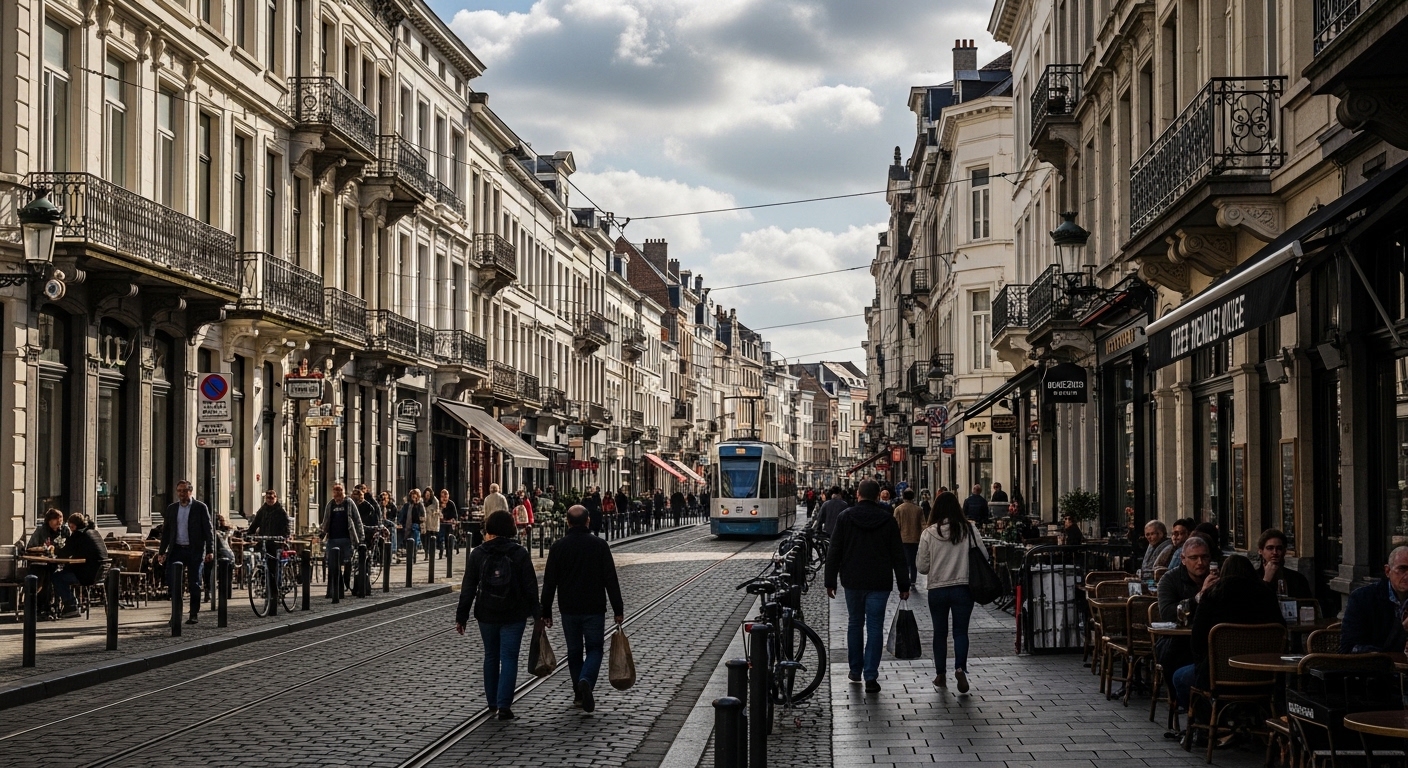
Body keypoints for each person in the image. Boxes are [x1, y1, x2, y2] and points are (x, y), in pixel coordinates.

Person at [823, 479, 910, 693]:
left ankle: (855, 670)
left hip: (852, 580)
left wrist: (830, 580)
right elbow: (898, 554)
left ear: (859, 495)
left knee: (854, 623)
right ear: (878, 495)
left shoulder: (845, 518)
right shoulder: (887, 520)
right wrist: (903, 584)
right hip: (879, 581)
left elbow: (834, 551)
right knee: (874, 627)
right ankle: (871, 675)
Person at [455, 510, 540, 721]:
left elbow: (468, 588)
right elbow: (531, 587)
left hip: (487, 613)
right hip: (514, 614)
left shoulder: (478, 553)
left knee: (491, 656)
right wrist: (538, 615)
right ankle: (504, 706)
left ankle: (492, 702)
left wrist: (461, 616)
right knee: (509, 657)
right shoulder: (519, 553)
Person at [540, 505, 625, 713]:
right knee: (595, 649)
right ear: (588, 521)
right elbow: (610, 579)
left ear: (567, 522)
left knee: (574, 651)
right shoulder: (600, 545)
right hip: (594, 607)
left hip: (568, 608)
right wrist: (618, 608)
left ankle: (579, 693)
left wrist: (545, 611)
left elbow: (549, 582)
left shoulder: (558, 547)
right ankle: (586, 680)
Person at [1176, 555, 1282, 715]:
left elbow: (1197, 641)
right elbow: (1281, 631)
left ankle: (1205, 723)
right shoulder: (1267, 596)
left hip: (1218, 676)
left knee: (1179, 677)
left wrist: (1203, 664)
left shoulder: (1212, 596)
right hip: (1263, 676)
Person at [916, 491, 986, 692]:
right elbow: (983, 555)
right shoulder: (969, 529)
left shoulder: (928, 533)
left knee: (940, 633)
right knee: (960, 631)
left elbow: (922, 567)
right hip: (963, 588)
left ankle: (940, 675)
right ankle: (960, 669)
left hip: (937, 589)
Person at [1155, 536, 1214, 680]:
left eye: (1204, 557)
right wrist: (1198, 598)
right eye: (1194, 558)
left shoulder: (1218, 578)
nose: (1200, 563)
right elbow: (1168, 613)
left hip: (1212, 640)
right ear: (1183, 559)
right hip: (1180, 642)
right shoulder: (1170, 579)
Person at [157, 480, 215, 625]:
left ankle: (193, 614)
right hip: (176, 549)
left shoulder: (200, 507)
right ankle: (176, 615)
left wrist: (210, 550)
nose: (181, 494)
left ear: (190, 491)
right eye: (179, 491)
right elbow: (167, 532)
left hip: (194, 550)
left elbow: (208, 530)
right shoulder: (172, 509)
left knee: (194, 583)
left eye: (184, 491)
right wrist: (162, 551)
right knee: (174, 582)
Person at [1340, 545, 1408, 654]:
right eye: (1402, 569)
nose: (1407, 575)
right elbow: (1348, 647)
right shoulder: (1363, 598)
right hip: (1374, 667)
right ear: (1387, 571)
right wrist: (1401, 628)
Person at [49, 513, 108, 618]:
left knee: (56, 577)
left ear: (75, 525)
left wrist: (53, 549)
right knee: (64, 573)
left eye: (71, 527)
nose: (71, 530)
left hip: (87, 575)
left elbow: (65, 552)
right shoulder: (94, 533)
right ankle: (71, 603)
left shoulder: (79, 535)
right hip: (100, 573)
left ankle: (71, 605)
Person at [321, 483, 364, 594]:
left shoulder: (349, 503)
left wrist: (360, 537)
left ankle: (346, 582)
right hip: (333, 539)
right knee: (333, 564)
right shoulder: (330, 505)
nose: (338, 493)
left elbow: (357, 520)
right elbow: (326, 521)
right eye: (335, 491)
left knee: (347, 562)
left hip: (347, 538)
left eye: (340, 490)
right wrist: (321, 534)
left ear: (344, 491)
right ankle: (335, 589)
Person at [248, 489, 291, 586]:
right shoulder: (262, 510)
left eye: (272, 498)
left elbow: (287, 525)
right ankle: (263, 582)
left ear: (276, 498)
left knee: (275, 564)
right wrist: (250, 532)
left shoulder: (280, 511)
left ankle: (277, 586)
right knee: (261, 559)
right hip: (264, 540)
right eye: (267, 498)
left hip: (276, 541)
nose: (270, 500)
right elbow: (256, 523)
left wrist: (285, 537)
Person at [1254, 529, 1311, 598]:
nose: (1275, 552)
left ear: (1284, 551)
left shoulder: (1297, 579)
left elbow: (1307, 604)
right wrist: (1266, 580)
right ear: (1260, 551)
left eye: (1279, 548)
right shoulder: (1252, 578)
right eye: (1270, 548)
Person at [892, 489, 925, 587]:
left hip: (903, 539)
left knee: (905, 560)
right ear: (913, 497)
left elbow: (896, 525)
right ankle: (913, 580)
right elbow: (923, 524)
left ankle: (905, 578)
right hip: (915, 538)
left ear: (903, 497)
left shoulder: (898, 509)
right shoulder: (919, 509)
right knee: (914, 560)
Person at [398, 489, 425, 553]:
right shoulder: (406, 505)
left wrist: (415, 505)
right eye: (412, 494)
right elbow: (402, 515)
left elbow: (422, 517)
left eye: (415, 494)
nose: (413, 496)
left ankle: (415, 548)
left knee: (415, 530)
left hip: (416, 525)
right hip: (406, 525)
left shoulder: (420, 505)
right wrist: (400, 523)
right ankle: (401, 548)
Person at [422, 486, 441, 558]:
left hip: (432, 524)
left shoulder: (435, 501)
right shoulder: (422, 501)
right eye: (426, 494)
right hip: (425, 524)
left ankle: (430, 554)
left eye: (429, 494)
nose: (427, 496)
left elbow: (437, 511)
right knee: (425, 539)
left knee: (431, 539)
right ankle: (426, 553)